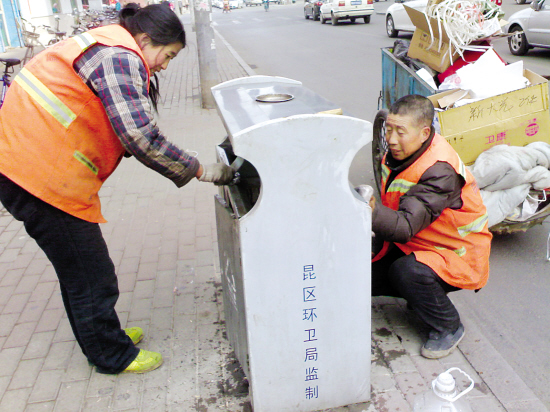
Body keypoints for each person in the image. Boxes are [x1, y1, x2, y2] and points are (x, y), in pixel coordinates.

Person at [0, 4, 234, 374]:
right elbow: (141, 135)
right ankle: (111, 354)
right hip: (35, 177)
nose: (165, 66)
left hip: (28, 167)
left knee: (78, 269)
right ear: (144, 39)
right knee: (92, 274)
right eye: (167, 55)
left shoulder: (106, 44)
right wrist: (203, 171)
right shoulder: (118, 55)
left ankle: (101, 337)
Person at [370, 95, 492, 359]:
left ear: (424, 133)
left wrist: (369, 210)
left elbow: (402, 226)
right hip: (420, 239)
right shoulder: (398, 154)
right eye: (388, 129)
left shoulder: (440, 171)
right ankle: (419, 297)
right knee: (363, 275)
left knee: (406, 272)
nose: (391, 139)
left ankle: (448, 326)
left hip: (456, 253)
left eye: (400, 132)